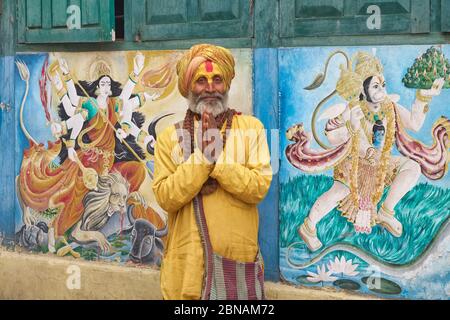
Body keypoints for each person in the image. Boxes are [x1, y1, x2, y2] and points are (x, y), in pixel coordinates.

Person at [285, 51, 446, 252]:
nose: (381, 90)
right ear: (364, 88)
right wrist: (365, 146)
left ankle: (386, 211)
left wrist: (424, 96)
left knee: (412, 167)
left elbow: (414, 123)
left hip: (378, 163)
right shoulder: (353, 109)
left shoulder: (390, 107)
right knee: (339, 192)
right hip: (353, 163)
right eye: (376, 86)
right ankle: (308, 226)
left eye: (383, 85)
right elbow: (342, 137)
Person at [152, 44, 272, 300]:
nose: (210, 88)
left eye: (217, 79)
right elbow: (165, 197)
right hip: (187, 273)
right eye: (201, 80)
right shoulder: (170, 137)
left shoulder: (251, 128)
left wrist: (218, 162)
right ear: (188, 87)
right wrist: (203, 159)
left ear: (227, 84)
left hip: (236, 270)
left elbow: (259, 187)